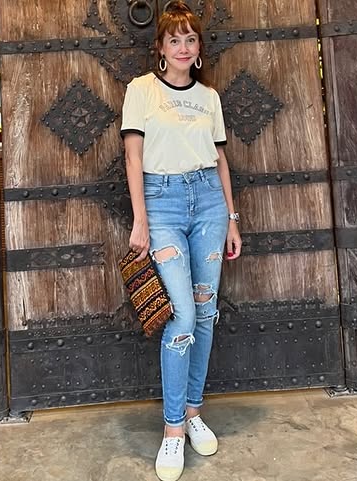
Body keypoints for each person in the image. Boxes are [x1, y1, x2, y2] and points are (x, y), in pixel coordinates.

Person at [120, 2, 242, 480]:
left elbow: (221, 160)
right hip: (163, 203)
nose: (184, 47)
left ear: (198, 47)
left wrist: (231, 219)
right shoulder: (141, 90)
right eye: (175, 40)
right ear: (161, 47)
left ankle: (193, 412)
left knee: (206, 312)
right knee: (183, 316)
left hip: (208, 201)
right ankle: (172, 429)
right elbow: (133, 158)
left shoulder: (209, 97)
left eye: (191, 39)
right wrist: (140, 220)